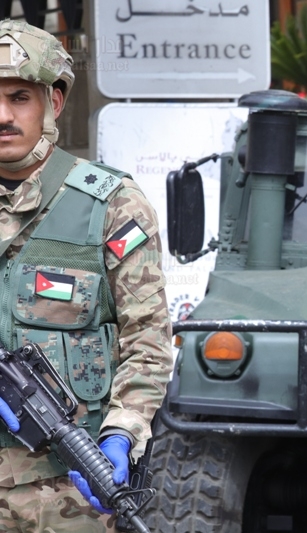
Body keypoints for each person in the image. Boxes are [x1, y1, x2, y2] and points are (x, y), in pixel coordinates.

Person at [0, 20, 172, 532]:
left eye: (19, 98)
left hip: (64, 493)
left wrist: (121, 433)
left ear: (53, 102)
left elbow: (149, 340)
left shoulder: (112, 204)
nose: (2, 115)